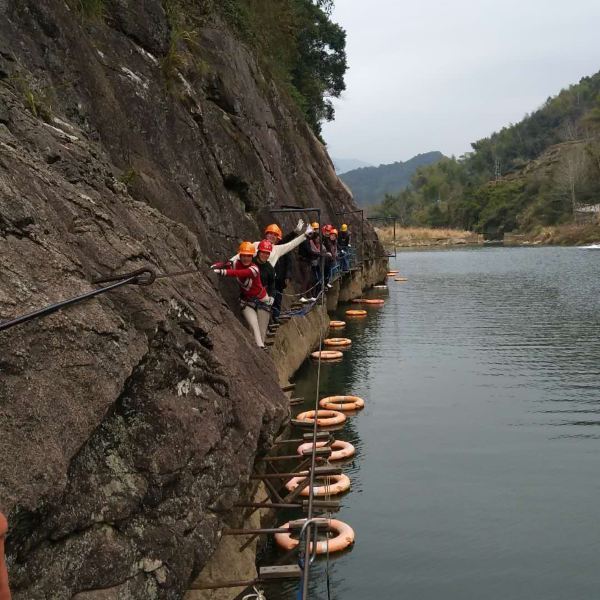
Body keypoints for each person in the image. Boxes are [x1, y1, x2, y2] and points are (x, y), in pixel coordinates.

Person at [212, 241, 273, 348]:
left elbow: (239, 273)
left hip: (263, 301)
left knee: (262, 331)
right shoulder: (237, 263)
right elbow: (228, 264)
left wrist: (221, 271)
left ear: (252, 256)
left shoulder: (254, 269)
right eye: (243, 255)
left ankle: (261, 352)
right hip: (247, 301)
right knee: (254, 327)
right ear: (240, 255)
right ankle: (260, 350)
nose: (246, 258)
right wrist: (217, 265)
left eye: (248, 256)